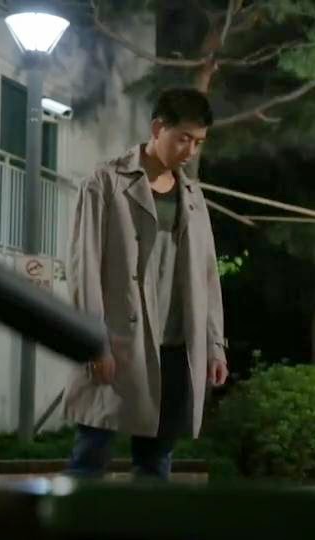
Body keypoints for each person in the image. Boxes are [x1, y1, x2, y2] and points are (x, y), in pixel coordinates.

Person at [62, 87, 228, 481]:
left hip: (174, 344)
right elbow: (84, 268)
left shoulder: (192, 195)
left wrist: (214, 345)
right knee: (92, 451)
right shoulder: (105, 182)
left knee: (155, 462)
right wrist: (93, 341)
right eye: (183, 138)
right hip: (118, 340)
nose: (190, 151)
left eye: (199, 142)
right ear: (157, 128)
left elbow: (207, 275)